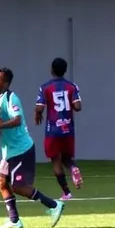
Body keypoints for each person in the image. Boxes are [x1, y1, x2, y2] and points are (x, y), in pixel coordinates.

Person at [0, 68, 65, 228]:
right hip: (9, 151)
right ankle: (15, 221)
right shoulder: (0, 99)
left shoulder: (12, 98)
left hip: (21, 150)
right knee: (1, 182)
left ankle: (54, 205)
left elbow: (17, 120)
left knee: (18, 187)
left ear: (5, 83)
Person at [35, 57, 83, 200]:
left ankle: (67, 192)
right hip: (68, 128)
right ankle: (73, 168)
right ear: (65, 70)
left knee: (56, 160)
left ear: (52, 69)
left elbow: (39, 107)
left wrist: (37, 113)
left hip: (53, 130)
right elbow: (78, 107)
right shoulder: (72, 86)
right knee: (67, 157)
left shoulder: (45, 87)